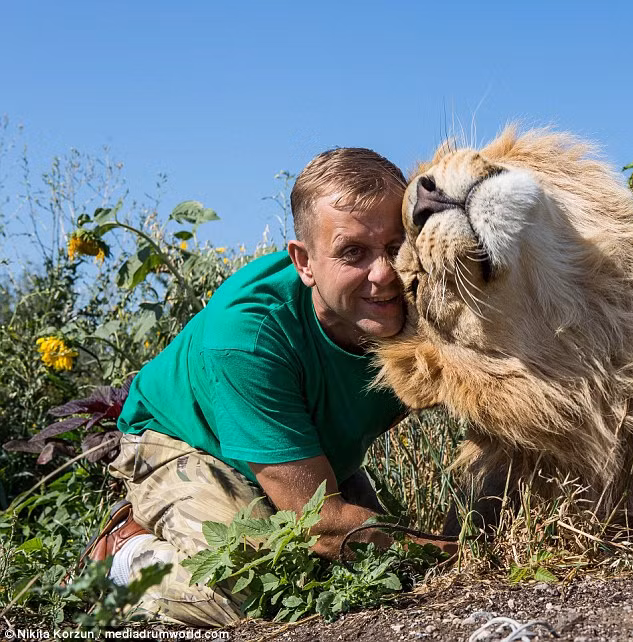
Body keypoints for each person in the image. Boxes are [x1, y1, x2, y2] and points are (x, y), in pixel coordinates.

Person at [80, 147, 455, 627]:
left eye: (395, 246)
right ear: (304, 262)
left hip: (306, 452)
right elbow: (319, 524)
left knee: (378, 573)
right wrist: (445, 550)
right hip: (184, 441)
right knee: (255, 590)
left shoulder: (424, 303)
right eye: (352, 253)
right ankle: (128, 560)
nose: (383, 274)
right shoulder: (247, 337)